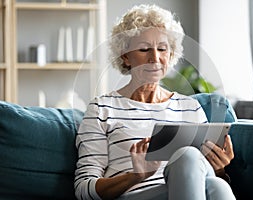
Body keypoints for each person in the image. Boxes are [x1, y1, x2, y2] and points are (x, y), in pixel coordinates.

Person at [74, 4, 235, 200]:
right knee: (190, 157)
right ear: (125, 56)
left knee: (216, 184)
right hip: (135, 195)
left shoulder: (190, 107)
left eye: (162, 49)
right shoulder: (102, 108)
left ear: (170, 55)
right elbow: (84, 190)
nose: (155, 58)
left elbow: (203, 177)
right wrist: (135, 176)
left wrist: (219, 169)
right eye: (144, 49)